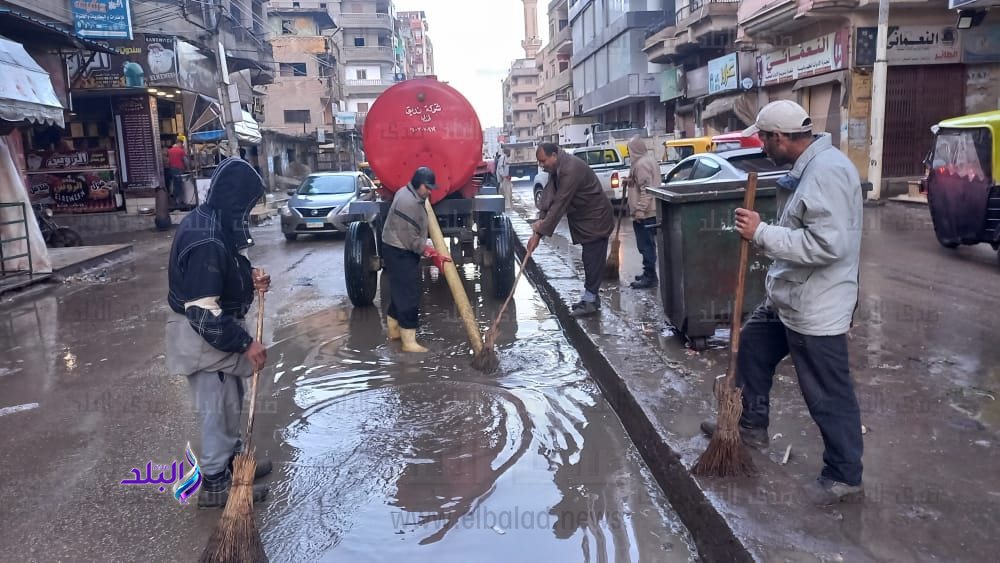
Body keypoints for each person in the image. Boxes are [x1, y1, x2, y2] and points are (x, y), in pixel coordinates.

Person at [700, 100, 865, 506]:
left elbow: (827, 245)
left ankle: (845, 475)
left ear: (778, 138)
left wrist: (761, 233)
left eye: (764, 140)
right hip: (789, 298)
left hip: (816, 306)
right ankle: (751, 425)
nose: (762, 147)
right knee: (753, 347)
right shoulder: (809, 168)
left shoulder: (826, 173)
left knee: (827, 392)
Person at [165, 157, 272, 508]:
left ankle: (230, 462)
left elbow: (224, 269)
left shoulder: (215, 222)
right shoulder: (206, 237)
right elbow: (202, 309)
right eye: (247, 205)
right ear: (234, 200)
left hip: (215, 331)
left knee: (228, 404)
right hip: (204, 336)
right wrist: (245, 342)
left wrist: (249, 278)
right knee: (215, 408)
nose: (248, 213)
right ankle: (215, 482)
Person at [528, 142, 614, 317]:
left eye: (543, 160)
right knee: (589, 258)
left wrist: (540, 232)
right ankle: (591, 298)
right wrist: (539, 225)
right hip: (585, 219)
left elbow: (559, 204)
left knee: (592, 259)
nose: (541, 165)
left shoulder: (570, 169)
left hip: (596, 218)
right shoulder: (557, 168)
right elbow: (548, 197)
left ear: (554, 155)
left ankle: (590, 301)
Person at [381, 166, 452, 352]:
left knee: (400, 290)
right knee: (409, 293)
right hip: (399, 250)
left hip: (395, 247)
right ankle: (409, 342)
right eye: (427, 188)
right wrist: (430, 252)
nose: (430, 192)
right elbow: (410, 239)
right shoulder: (408, 203)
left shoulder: (409, 193)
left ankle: (395, 332)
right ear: (419, 185)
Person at [624, 136, 659, 289]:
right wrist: (629, 181)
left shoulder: (642, 164)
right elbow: (641, 184)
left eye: (629, 150)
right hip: (648, 211)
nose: (628, 152)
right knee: (647, 244)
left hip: (646, 213)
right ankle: (648, 273)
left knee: (646, 245)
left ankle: (650, 277)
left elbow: (646, 190)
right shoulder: (645, 160)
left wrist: (640, 210)